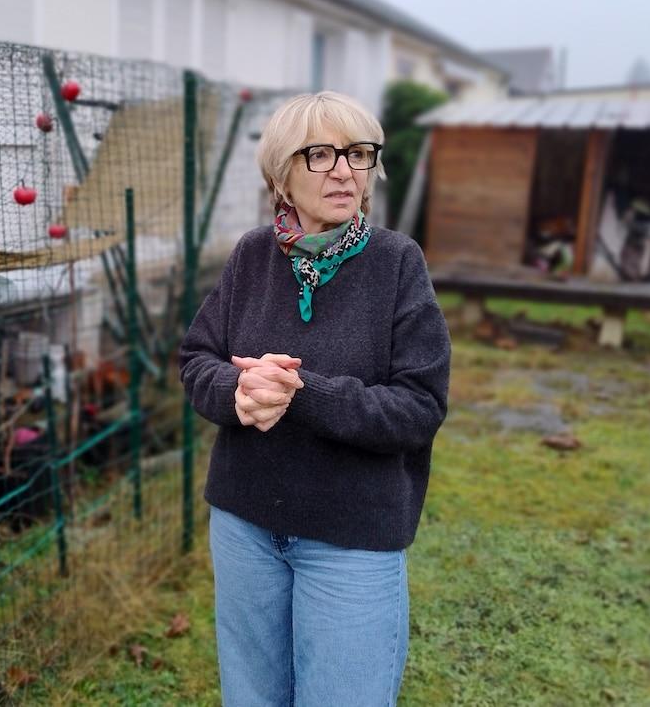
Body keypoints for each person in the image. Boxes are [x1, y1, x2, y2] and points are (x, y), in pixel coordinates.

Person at [178, 90, 451, 707]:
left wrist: (303, 393)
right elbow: (197, 359)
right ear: (281, 176)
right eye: (320, 154)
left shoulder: (396, 263)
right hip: (245, 524)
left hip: (350, 534)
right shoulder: (252, 256)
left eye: (358, 153)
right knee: (253, 697)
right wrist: (238, 391)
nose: (344, 171)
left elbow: (419, 406)